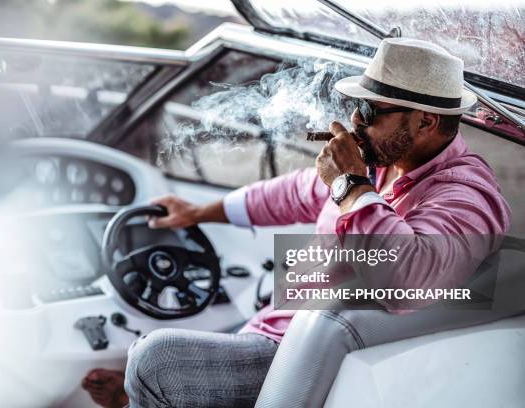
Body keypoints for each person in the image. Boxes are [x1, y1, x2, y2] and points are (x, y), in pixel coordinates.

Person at [82, 38, 511, 407]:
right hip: (278, 322)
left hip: (303, 353)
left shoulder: (465, 197)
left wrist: (350, 185)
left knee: (155, 360)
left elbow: (408, 278)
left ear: (425, 121)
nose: (356, 120)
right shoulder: (386, 162)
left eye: (369, 109)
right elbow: (296, 192)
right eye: (354, 105)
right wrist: (199, 212)